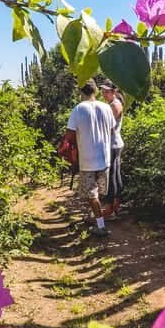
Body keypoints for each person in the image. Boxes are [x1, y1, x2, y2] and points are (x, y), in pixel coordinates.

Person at [64, 78, 115, 236]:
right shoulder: (106, 107)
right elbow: (113, 130)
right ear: (95, 91)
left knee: (91, 195)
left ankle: (100, 226)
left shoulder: (78, 109)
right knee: (97, 193)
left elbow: (69, 135)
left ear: (81, 92)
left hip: (87, 160)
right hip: (104, 158)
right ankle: (93, 218)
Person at [99, 79, 124, 218]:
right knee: (116, 174)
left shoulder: (114, 105)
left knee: (111, 175)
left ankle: (110, 208)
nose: (103, 93)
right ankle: (116, 205)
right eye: (102, 91)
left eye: (106, 91)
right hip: (115, 143)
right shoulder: (112, 104)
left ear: (113, 92)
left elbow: (109, 127)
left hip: (113, 144)